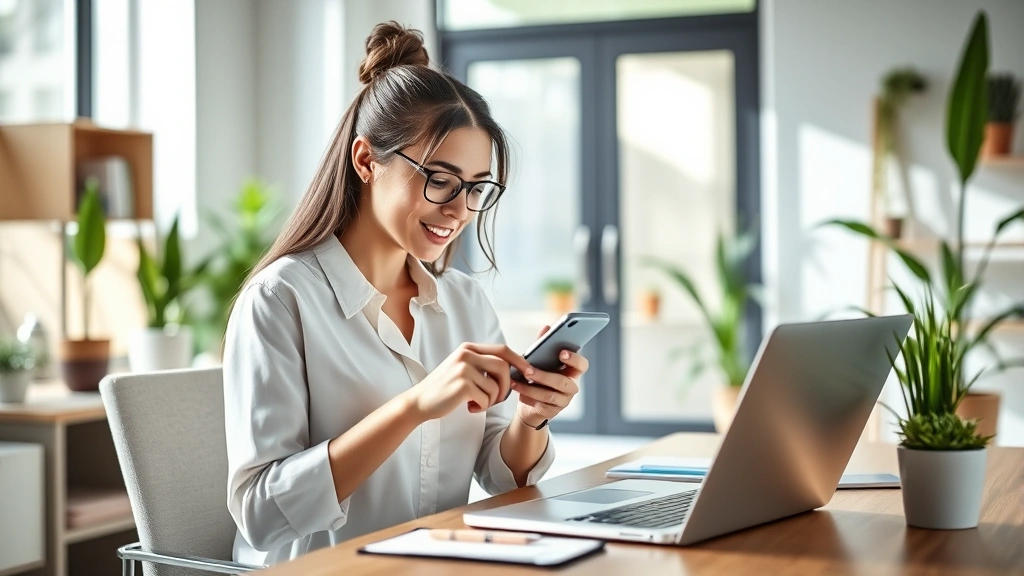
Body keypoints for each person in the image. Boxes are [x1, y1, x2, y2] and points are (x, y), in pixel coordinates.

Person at [222, 21, 589, 566]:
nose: (460, 209)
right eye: (439, 179)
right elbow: (262, 513)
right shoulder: (279, 300)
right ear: (367, 160)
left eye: (476, 188)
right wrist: (414, 405)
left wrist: (529, 419)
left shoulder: (463, 302)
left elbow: (496, 471)